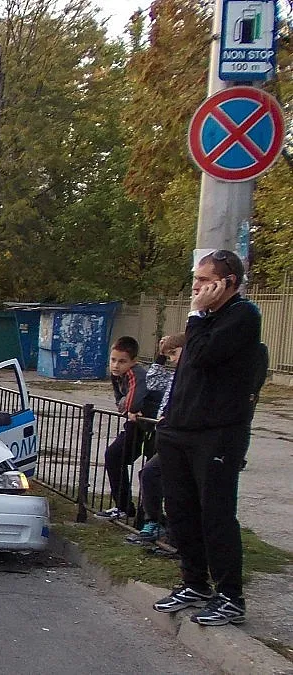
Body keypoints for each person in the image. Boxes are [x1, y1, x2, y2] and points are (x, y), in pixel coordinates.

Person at [153, 250, 261, 627]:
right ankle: (194, 581)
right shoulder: (206, 320)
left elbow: (202, 356)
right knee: (180, 510)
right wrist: (169, 417)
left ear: (228, 282)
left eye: (204, 280)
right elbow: (187, 372)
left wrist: (196, 315)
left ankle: (230, 595)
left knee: (215, 514)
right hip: (179, 430)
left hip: (216, 435)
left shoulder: (242, 316)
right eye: (195, 279)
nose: (196, 287)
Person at [125, 333, 186, 546]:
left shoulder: (194, 375)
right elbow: (152, 380)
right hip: (168, 436)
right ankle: (155, 523)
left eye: (174, 353)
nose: (173, 359)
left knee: (173, 487)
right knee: (150, 474)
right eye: (169, 356)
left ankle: (175, 536)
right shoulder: (175, 375)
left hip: (183, 437)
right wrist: (161, 356)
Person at [94, 336, 161, 520]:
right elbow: (120, 402)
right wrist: (127, 408)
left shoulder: (135, 373)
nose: (116, 365)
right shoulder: (117, 376)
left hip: (153, 425)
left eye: (122, 361)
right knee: (114, 456)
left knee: (150, 470)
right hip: (137, 424)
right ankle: (124, 507)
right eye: (113, 360)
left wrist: (130, 408)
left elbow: (133, 401)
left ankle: (149, 517)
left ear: (133, 361)